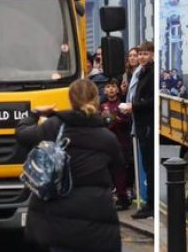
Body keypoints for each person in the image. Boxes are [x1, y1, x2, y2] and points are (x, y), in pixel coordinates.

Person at [16, 79, 123, 252]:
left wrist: (35, 114)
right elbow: (118, 166)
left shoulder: (54, 126)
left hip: (57, 215)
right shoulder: (106, 137)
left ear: (71, 99)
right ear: (96, 99)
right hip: (96, 216)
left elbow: (22, 135)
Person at [119, 41, 154, 219]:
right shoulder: (142, 73)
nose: (141, 57)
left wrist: (133, 106)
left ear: (153, 55)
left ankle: (151, 206)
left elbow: (151, 101)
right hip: (141, 124)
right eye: (140, 53)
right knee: (148, 166)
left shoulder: (151, 73)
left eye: (145, 53)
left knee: (150, 165)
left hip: (148, 124)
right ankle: (150, 205)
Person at [100, 79, 133, 210]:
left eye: (113, 86)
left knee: (120, 172)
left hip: (121, 143)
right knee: (108, 172)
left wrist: (115, 118)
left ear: (118, 89)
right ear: (105, 90)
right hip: (106, 144)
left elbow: (126, 122)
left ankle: (123, 197)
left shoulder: (122, 104)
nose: (111, 89)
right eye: (108, 87)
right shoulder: (102, 105)